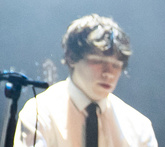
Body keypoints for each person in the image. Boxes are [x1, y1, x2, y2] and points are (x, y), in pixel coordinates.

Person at [13, 14, 157, 147]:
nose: (108, 73)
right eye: (98, 61)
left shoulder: (138, 127)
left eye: (116, 65)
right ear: (71, 57)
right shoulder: (41, 113)